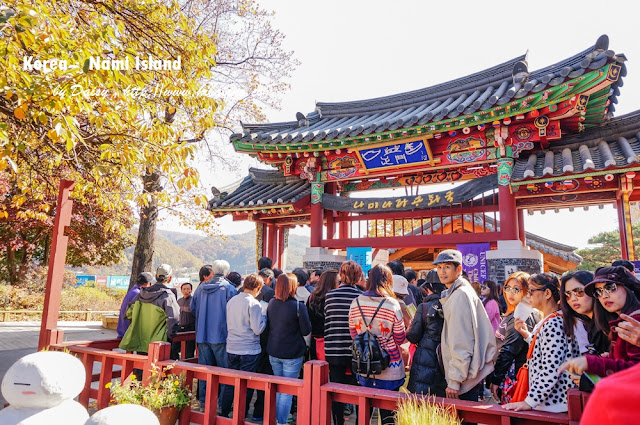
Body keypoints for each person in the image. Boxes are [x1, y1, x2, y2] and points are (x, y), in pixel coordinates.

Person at [503, 273, 580, 413]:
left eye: (531, 291)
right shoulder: (553, 319)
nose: (528, 296)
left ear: (547, 293)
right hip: (552, 402)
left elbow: (551, 368)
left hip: (553, 403)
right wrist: (527, 335)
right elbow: (548, 351)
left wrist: (530, 401)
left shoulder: (553, 323)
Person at [434, 249, 497, 407]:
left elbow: (461, 341)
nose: (442, 271)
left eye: (447, 267)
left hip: (463, 378)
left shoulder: (459, 295)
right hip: (468, 374)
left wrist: (455, 380)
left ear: (459, 269)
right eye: (439, 267)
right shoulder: (461, 291)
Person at [558, 265, 640, 379]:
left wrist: (592, 363)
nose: (604, 296)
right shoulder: (617, 322)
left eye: (610, 288)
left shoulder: (633, 322)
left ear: (628, 287)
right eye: (599, 291)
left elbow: (634, 371)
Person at [349, 264, 406, 425]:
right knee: (388, 412)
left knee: (364, 409)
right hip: (390, 364)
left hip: (365, 363)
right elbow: (400, 337)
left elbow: (353, 333)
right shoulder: (392, 304)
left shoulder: (356, 302)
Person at [191, 260, 237, 416]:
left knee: (205, 371)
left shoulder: (200, 288)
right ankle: (222, 404)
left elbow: (193, 308)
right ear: (226, 272)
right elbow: (234, 312)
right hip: (221, 335)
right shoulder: (229, 289)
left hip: (202, 335)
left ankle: (204, 402)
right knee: (224, 372)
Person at [119, 265, 180, 379]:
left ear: (156, 277)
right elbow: (174, 319)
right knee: (158, 378)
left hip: (140, 342)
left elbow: (127, 314)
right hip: (159, 344)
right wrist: (169, 336)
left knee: (140, 375)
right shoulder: (168, 296)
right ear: (170, 278)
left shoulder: (141, 294)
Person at [487, 271, 539, 404]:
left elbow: (509, 350)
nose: (510, 293)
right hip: (510, 374)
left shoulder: (522, 314)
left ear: (527, 291)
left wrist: (496, 379)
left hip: (514, 376)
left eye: (516, 289)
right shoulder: (516, 311)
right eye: (507, 288)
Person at [266, 273, 311, 425]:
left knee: (279, 387)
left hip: (274, 350)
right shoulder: (299, 306)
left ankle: (278, 419)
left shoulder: (271, 303)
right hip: (292, 352)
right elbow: (306, 331)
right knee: (287, 390)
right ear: (293, 287)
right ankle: (281, 421)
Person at [324, 260, 363, 425]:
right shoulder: (361, 297)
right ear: (359, 276)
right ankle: (359, 421)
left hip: (333, 347)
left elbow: (328, 320)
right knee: (360, 389)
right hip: (356, 350)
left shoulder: (330, 295)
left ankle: (338, 421)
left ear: (341, 275)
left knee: (335, 388)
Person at [224, 273, 267, 416]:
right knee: (246, 384)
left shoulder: (232, 301)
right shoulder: (254, 304)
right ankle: (240, 414)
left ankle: (224, 412)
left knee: (231, 382)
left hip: (232, 346)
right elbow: (257, 329)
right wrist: (264, 317)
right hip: (249, 349)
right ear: (258, 288)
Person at [406, 278, 447, 397]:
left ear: (429, 288)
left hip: (425, 357)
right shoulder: (452, 305)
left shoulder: (424, 307)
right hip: (447, 357)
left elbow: (413, 336)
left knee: (422, 400)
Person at [559, 271, 609, 355]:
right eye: (568, 294)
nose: (573, 298)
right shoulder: (588, 325)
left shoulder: (610, 322)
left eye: (579, 291)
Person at [306, 269, 339, 360]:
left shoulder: (312, 296)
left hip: (315, 339)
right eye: (338, 281)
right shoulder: (334, 298)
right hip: (332, 340)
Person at [116, 272, 154, 338]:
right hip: (129, 333)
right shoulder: (138, 294)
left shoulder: (133, 291)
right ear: (148, 284)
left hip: (123, 330)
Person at [170, 282, 196, 360]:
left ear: (191, 290)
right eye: (184, 289)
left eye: (188, 289)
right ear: (181, 290)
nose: (186, 291)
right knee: (174, 349)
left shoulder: (193, 301)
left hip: (190, 328)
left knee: (189, 351)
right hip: (179, 328)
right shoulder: (179, 301)